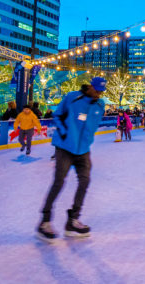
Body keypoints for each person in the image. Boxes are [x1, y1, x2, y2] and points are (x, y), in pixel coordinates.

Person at [37, 77, 107, 243]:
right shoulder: (72, 97)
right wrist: (64, 133)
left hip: (83, 150)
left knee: (85, 181)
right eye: (96, 90)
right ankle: (45, 222)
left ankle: (72, 221)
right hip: (65, 147)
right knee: (59, 182)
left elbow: (93, 126)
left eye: (101, 91)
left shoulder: (100, 105)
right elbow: (58, 115)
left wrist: (87, 140)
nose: (98, 94)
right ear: (90, 86)